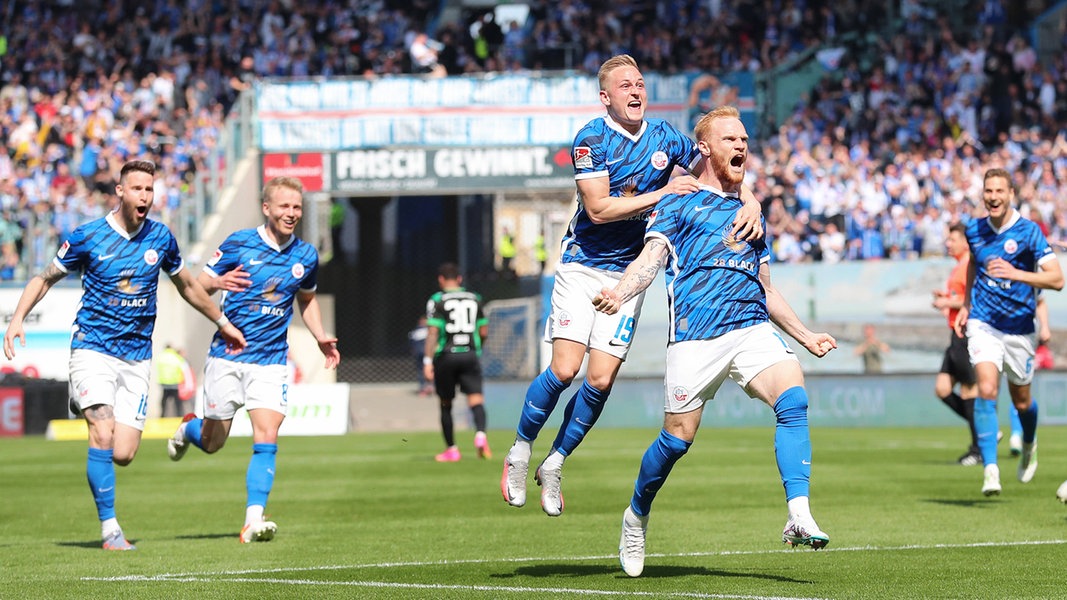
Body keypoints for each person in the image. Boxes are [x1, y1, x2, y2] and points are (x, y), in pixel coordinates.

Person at [500, 54, 762, 517]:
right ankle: (520, 451)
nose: (635, 91)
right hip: (583, 264)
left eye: (639, 83)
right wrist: (664, 193)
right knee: (565, 369)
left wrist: (753, 200)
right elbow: (599, 209)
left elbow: (717, 162)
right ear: (606, 97)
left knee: (599, 379)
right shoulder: (591, 139)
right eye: (625, 86)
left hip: (630, 272)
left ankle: (556, 461)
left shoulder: (665, 137)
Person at [591, 106, 835, 577]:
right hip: (695, 337)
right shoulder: (678, 201)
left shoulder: (750, 212)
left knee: (794, 398)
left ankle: (799, 514)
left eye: (744, 139)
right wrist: (620, 291)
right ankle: (636, 513)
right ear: (704, 147)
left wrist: (804, 336)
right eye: (729, 139)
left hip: (749, 327)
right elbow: (651, 257)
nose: (740, 145)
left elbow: (764, 286)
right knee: (677, 439)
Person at [2, 160, 247, 551]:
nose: (145, 197)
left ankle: (97, 412)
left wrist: (221, 321)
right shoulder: (88, 237)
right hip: (92, 347)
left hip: (136, 357)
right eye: (138, 189)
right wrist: (17, 320)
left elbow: (186, 284)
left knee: (124, 453)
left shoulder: (161, 239)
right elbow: (44, 277)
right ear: (120, 191)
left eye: (150, 190)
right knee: (101, 429)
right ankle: (110, 530)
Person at [166, 176, 340, 543]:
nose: (291, 214)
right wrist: (219, 282)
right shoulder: (239, 243)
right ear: (267, 208)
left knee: (267, 435)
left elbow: (306, 300)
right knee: (214, 442)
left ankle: (252, 520)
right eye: (284, 207)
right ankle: (188, 428)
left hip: (271, 360)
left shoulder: (306, 255)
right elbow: (197, 284)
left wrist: (320, 336)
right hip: (227, 356)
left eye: (296, 207)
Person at [953, 167, 1064, 497]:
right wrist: (965, 303)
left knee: (1022, 399)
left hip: (1019, 328)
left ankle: (1029, 443)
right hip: (984, 322)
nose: (993, 197)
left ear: (1011, 194)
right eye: (988, 191)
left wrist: (1017, 273)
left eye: (999, 191)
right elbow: (974, 262)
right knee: (986, 387)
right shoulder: (974, 230)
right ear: (983, 194)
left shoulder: (1029, 233)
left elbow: (1057, 280)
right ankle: (990, 469)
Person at [423, 262, 490, 462]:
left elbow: (433, 332)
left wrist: (427, 361)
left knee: (446, 403)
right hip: (470, 353)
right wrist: (478, 348)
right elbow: (483, 330)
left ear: (441, 280)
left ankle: (452, 449)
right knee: (476, 399)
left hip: (446, 355)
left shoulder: (437, 300)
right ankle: (480, 435)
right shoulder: (475, 298)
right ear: (459, 279)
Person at [932, 223, 981, 465]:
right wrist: (946, 300)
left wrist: (947, 303)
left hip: (966, 335)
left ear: (964, 242)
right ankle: (985, 428)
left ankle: (978, 448)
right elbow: (958, 299)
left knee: (970, 390)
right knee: (942, 388)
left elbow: (971, 298)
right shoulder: (957, 269)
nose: (948, 244)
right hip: (955, 334)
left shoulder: (968, 266)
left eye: (952, 240)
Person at [156, 343, 190, 418]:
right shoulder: (176, 357)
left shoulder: (161, 357)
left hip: (164, 383)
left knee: (164, 401)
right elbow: (184, 369)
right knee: (177, 403)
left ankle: (162, 417)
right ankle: (179, 417)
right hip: (175, 382)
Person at [408, 315, 433, 396]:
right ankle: (423, 388)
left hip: (429, 354)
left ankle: (431, 386)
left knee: (431, 371)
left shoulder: (432, 330)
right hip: (419, 354)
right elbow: (411, 343)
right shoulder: (416, 331)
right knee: (421, 371)